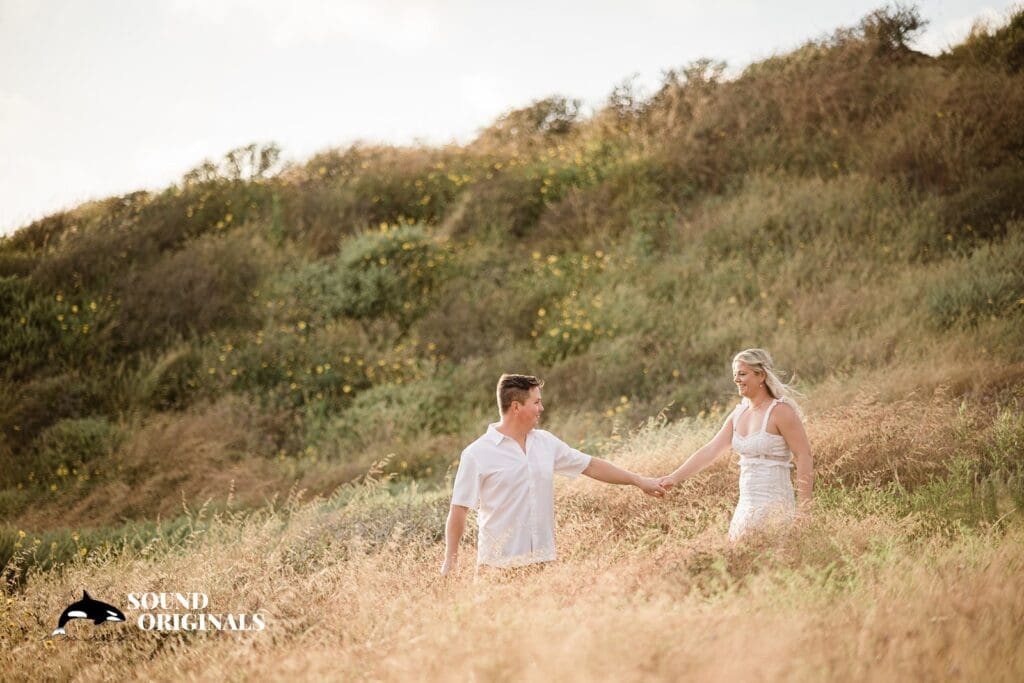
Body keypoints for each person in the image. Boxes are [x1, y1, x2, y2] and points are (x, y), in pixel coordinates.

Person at [441, 373, 668, 575]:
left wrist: (638, 481)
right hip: (497, 569)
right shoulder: (477, 453)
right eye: (536, 402)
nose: (542, 408)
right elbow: (459, 509)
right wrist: (450, 563)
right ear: (516, 406)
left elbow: (590, 465)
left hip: (543, 565)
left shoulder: (545, 442)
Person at [660, 349, 813, 540]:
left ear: (761, 376)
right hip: (745, 506)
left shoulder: (781, 412)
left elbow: (804, 456)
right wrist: (674, 478)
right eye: (735, 375)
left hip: (776, 504)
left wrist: (805, 509)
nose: (736, 380)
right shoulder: (738, 414)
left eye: (742, 373)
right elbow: (710, 450)